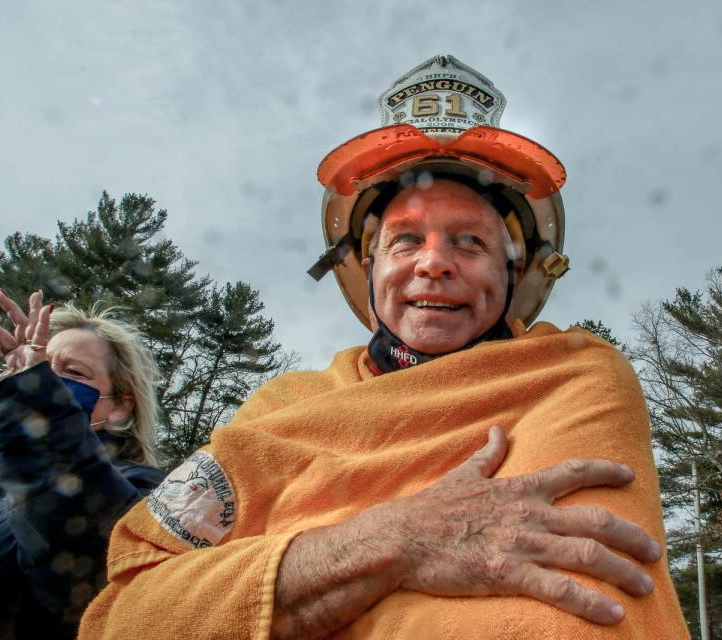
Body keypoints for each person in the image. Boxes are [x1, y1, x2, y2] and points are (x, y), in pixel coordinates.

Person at [80, 55, 689, 639]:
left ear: (514, 271)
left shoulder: (575, 377)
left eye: (469, 243)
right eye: (405, 241)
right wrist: (398, 540)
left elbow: (568, 609)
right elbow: (129, 611)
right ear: (369, 268)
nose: (433, 264)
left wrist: (293, 580)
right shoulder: (283, 409)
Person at [0, 291, 166, 639]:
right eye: (40, 369)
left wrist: (29, 399)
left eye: (71, 372)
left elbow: (78, 570)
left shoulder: (147, 493)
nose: (45, 381)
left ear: (120, 406)